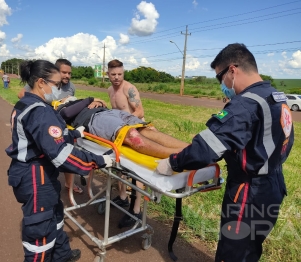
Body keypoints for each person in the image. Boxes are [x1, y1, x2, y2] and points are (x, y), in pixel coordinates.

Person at [156, 43, 294, 262]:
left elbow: (205, 149)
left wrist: (172, 162)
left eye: (219, 78)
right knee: (250, 248)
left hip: (248, 192)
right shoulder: (275, 95)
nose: (221, 85)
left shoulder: (244, 105)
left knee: (232, 252)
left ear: (232, 70)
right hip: (273, 185)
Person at [5, 59, 112, 262]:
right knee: (40, 235)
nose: (59, 89)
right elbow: (61, 153)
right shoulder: (39, 111)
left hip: (39, 173)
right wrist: (98, 161)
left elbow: (45, 138)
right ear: (40, 82)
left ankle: (62, 256)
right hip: (35, 177)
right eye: (55, 84)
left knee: (54, 217)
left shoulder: (27, 103)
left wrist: (74, 134)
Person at [18, 59, 85, 194]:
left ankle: (69, 184)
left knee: (67, 150)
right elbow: (21, 95)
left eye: (69, 73)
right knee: (49, 154)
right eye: (64, 72)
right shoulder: (41, 84)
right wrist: (52, 103)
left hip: (63, 122)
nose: (67, 76)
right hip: (47, 123)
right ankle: (44, 182)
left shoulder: (71, 87)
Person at [58, 98, 188, 159]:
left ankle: (194, 148)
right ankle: (182, 156)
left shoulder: (82, 100)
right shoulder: (60, 107)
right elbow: (66, 114)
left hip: (112, 112)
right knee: (132, 135)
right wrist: (90, 100)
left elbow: (103, 102)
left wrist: (98, 102)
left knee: (147, 130)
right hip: (94, 119)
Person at [107, 59, 146, 227]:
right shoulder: (110, 89)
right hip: (121, 132)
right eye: (113, 74)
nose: (117, 77)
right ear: (108, 74)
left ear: (124, 73)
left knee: (137, 171)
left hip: (135, 131)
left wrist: (125, 126)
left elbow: (139, 111)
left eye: (120, 74)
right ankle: (123, 197)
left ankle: (136, 210)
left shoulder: (128, 88)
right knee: (119, 166)